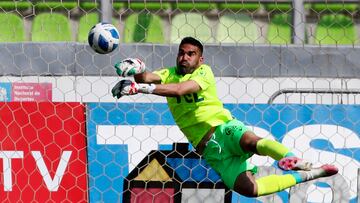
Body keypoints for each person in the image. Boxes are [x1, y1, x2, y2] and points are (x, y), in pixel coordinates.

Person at [111, 37, 338, 197]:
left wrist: (139, 88)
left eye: (191, 54)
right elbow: (147, 78)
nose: (184, 57)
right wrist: (135, 68)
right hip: (210, 150)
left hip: (223, 130)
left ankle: (294, 160)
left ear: (200, 59)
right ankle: (311, 174)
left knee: (252, 142)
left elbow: (180, 90)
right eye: (181, 52)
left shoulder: (204, 72)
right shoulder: (169, 73)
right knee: (250, 190)